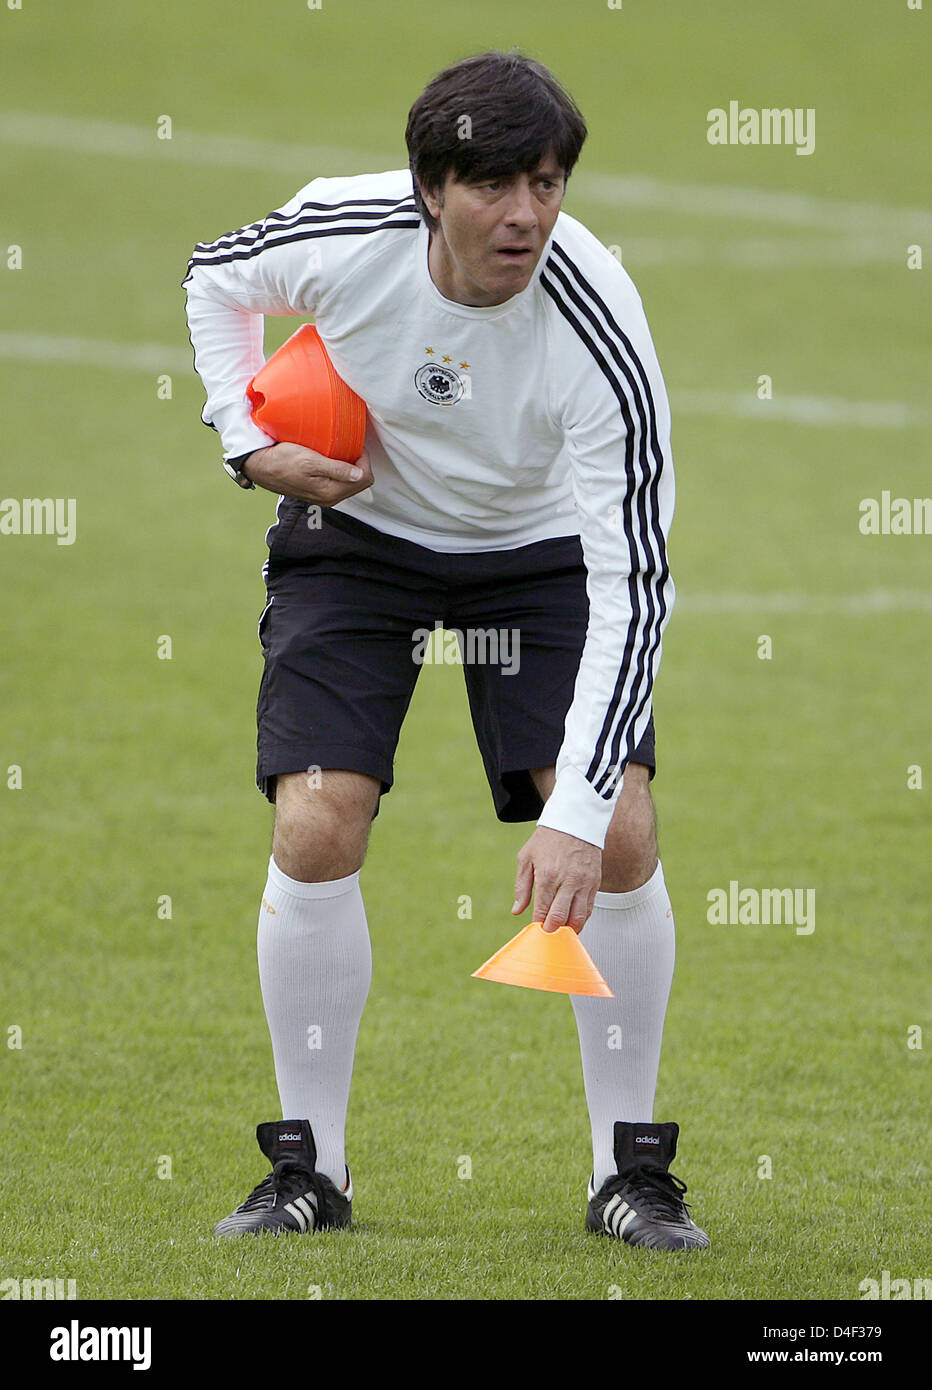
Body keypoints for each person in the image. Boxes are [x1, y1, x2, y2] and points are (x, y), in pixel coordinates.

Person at [183, 50, 709, 1251]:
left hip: (537, 555)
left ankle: (629, 1171)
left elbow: (633, 585)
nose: (523, 214)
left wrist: (572, 813)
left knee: (619, 832)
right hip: (356, 531)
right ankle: (306, 1168)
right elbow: (213, 277)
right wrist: (243, 438)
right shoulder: (343, 228)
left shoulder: (599, 322)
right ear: (429, 187)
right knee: (317, 820)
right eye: (490, 185)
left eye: (544, 181)